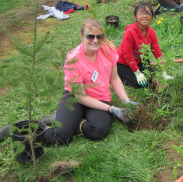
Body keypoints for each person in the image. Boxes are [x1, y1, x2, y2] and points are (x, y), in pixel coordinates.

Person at [0, 18, 139, 144]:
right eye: (90, 36)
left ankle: (68, 120)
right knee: (60, 136)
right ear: (81, 36)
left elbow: (114, 78)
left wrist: (126, 100)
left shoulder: (108, 49)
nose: (95, 40)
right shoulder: (73, 59)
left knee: (98, 130)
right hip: (76, 97)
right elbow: (81, 96)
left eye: (99, 36)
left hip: (100, 97)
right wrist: (112, 109)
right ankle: (20, 129)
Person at [117, 2, 173, 88]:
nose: (145, 16)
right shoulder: (130, 32)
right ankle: (118, 75)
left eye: (148, 13)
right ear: (135, 17)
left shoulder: (151, 32)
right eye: (140, 13)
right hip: (123, 63)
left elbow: (157, 52)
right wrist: (137, 72)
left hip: (139, 60)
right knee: (139, 84)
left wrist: (163, 72)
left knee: (152, 76)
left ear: (152, 17)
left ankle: (137, 71)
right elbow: (127, 54)